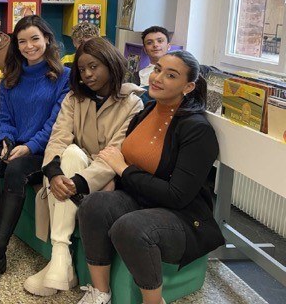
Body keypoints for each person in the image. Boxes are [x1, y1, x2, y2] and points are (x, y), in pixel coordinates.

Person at [75, 51, 225, 304]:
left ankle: (153, 301)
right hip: (141, 199)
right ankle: (100, 293)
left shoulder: (197, 130)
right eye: (157, 69)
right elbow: (130, 163)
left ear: (188, 87)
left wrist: (123, 170)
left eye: (171, 75)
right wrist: (116, 178)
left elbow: (176, 196)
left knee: (130, 227)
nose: (157, 78)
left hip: (182, 217)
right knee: (93, 204)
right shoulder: (148, 110)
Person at [24, 37, 144, 297]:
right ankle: (61, 257)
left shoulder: (133, 103)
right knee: (70, 152)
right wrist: (54, 173)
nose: (87, 74)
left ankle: (60, 263)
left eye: (93, 66)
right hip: (70, 168)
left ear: (110, 64)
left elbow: (115, 154)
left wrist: (76, 182)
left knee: (73, 155)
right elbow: (58, 137)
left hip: (102, 179)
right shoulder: (74, 98)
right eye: (82, 69)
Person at [0, 15, 71, 291]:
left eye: (35, 39)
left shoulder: (64, 76)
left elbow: (57, 122)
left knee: (15, 171)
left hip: (44, 150)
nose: (29, 46)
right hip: (15, 144)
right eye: (22, 41)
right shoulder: (10, 77)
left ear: (47, 39)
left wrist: (30, 146)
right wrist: (6, 140)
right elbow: (4, 117)